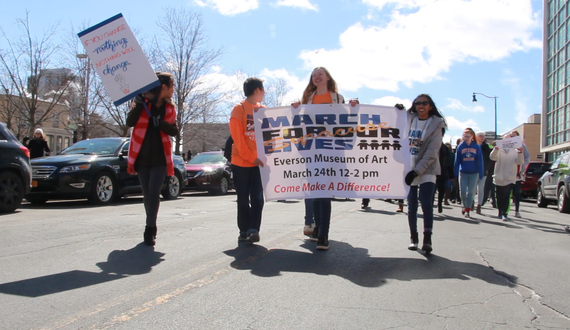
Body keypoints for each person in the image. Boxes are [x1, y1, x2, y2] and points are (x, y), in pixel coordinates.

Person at [293, 67, 358, 250]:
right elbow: (299, 124)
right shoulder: (308, 100)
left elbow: (346, 123)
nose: (317, 77)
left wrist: (353, 108)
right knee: (316, 192)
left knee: (325, 192)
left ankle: (323, 235)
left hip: (332, 152)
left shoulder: (338, 98)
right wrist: (295, 110)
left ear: (328, 77)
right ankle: (317, 227)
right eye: (314, 75)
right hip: (312, 152)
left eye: (320, 74)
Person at [126, 72, 179, 246]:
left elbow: (175, 131)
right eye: (172, 86)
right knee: (147, 194)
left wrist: (161, 124)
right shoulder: (142, 103)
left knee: (154, 192)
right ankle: (151, 223)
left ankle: (150, 229)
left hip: (160, 158)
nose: (173, 90)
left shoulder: (169, 109)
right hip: (141, 157)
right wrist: (139, 106)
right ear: (163, 87)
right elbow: (130, 122)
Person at [404, 94, 446, 254]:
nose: (421, 105)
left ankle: (427, 238)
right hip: (408, 167)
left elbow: (431, 152)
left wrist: (417, 171)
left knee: (426, 203)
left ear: (430, 106)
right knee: (411, 205)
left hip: (426, 169)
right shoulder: (408, 119)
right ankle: (413, 238)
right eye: (417, 103)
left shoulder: (436, 124)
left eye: (424, 103)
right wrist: (397, 110)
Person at [229, 77, 265, 243]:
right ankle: (243, 230)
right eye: (263, 90)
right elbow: (238, 139)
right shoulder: (239, 109)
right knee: (243, 199)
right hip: (241, 163)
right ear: (257, 90)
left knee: (257, 198)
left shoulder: (263, 110)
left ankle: (253, 229)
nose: (264, 93)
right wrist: (252, 158)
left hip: (259, 165)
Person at [489, 134, 524, 221]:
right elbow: (492, 157)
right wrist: (495, 149)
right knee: (499, 196)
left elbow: (520, 162)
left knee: (507, 195)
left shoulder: (515, 151)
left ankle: (505, 213)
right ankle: (500, 211)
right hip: (499, 177)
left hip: (509, 177)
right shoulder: (499, 150)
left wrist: (520, 153)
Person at [454, 127, 484, 218]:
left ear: (472, 137)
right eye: (464, 136)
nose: (466, 138)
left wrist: (481, 173)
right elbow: (457, 161)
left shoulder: (476, 147)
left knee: (471, 192)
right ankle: (464, 204)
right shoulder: (460, 147)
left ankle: (467, 209)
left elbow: (480, 161)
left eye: (468, 136)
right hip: (463, 172)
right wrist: (455, 173)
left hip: (474, 173)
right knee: (462, 191)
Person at [510, 130, 530, 218]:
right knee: (507, 193)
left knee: (517, 193)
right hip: (509, 173)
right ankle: (504, 211)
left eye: (515, 136)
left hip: (517, 174)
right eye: (512, 136)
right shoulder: (508, 146)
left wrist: (522, 167)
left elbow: (527, 158)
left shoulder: (523, 146)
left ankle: (517, 211)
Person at [475, 131, 493, 214]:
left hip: (483, 171)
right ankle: (471, 202)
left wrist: (486, 168)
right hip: (473, 170)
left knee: (481, 189)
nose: (482, 137)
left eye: (483, 136)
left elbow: (490, 159)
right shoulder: (473, 146)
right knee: (472, 189)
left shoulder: (487, 147)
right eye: (480, 136)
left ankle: (479, 205)